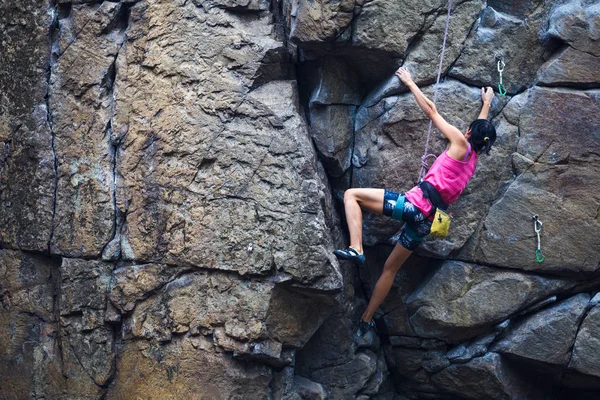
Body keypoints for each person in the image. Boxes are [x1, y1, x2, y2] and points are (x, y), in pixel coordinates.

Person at [334, 67, 496, 337]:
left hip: (412, 206)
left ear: (467, 133)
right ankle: (366, 319)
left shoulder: (459, 141)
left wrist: (410, 82)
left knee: (352, 195)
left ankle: (356, 248)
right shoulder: (473, 159)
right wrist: (487, 104)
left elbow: (431, 111)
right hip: (427, 223)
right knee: (391, 268)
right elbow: (480, 132)